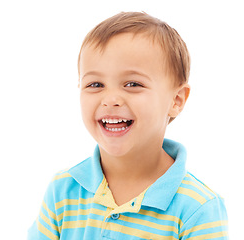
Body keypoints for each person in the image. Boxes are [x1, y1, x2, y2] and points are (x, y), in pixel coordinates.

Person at [28, 12, 228, 239]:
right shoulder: (62, 191)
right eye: (95, 84)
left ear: (176, 100)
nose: (110, 98)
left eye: (133, 84)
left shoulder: (199, 209)